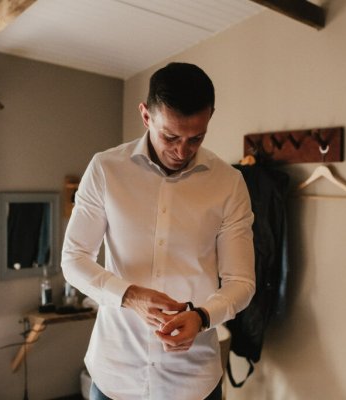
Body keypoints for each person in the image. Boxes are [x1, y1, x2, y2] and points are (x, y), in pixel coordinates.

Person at [61, 62, 255, 400]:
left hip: (192, 381)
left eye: (196, 138)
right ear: (146, 116)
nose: (182, 151)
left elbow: (242, 282)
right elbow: (73, 259)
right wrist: (128, 295)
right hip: (115, 376)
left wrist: (203, 316)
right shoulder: (106, 170)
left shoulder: (229, 184)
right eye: (170, 136)